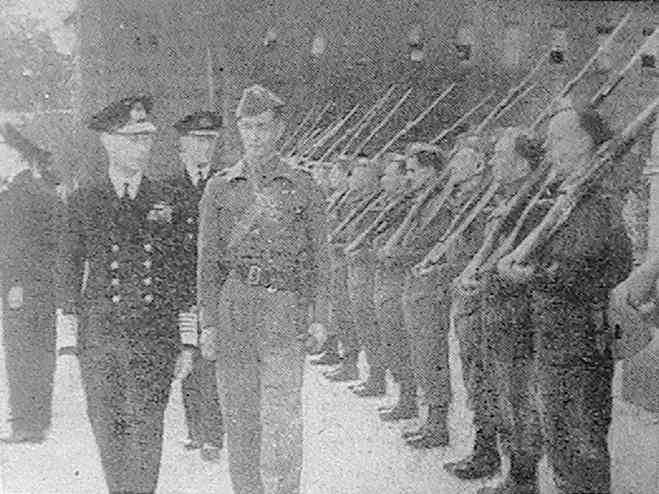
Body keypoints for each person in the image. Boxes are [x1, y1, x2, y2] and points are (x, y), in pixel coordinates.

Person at [59, 96, 195, 494]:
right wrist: (69, 345)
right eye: (133, 139)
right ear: (108, 142)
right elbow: (67, 273)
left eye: (147, 139)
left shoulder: (166, 200)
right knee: (110, 434)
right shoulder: (86, 200)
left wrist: (187, 341)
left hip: (154, 339)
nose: (143, 147)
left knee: (147, 434)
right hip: (101, 340)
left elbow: (181, 274)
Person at [197, 84, 329, 494]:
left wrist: (320, 318)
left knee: (281, 419)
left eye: (263, 127)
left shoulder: (302, 185)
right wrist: (208, 324)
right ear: (238, 129)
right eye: (247, 127)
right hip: (234, 309)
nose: (255, 135)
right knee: (239, 417)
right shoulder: (219, 187)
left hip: (282, 311)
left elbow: (320, 259)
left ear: (279, 130)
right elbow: (208, 261)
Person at [497, 97, 632, 494]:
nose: (549, 148)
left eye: (558, 138)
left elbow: (582, 268)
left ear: (584, 143)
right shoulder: (571, 198)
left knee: (578, 446)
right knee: (562, 442)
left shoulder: (595, 202)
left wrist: (527, 274)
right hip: (559, 338)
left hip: (578, 342)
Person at [381, 144, 450, 447]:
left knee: (431, 355)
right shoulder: (422, 200)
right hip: (415, 286)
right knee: (420, 354)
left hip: (430, 288)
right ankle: (428, 420)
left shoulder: (442, 204)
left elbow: (431, 245)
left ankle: (438, 424)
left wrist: (398, 254)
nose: (408, 177)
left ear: (431, 171)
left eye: (412, 171)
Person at [0, 123, 62, 444]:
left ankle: (28, 423)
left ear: (18, 154)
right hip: (34, 286)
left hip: (23, 288)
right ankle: (34, 419)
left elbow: (25, 246)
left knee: (23, 352)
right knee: (35, 351)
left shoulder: (22, 193)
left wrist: (17, 284)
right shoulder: (30, 189)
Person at [171, 110, 225, 461]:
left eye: (210, 141)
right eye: (197, 141)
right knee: (187, 356)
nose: (204, 148)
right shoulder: (167, 188)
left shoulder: (226, 184)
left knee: (214, 359)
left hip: (218, 290)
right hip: (181, 288)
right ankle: (194, 429)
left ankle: (213, 436)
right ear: (182, 146)